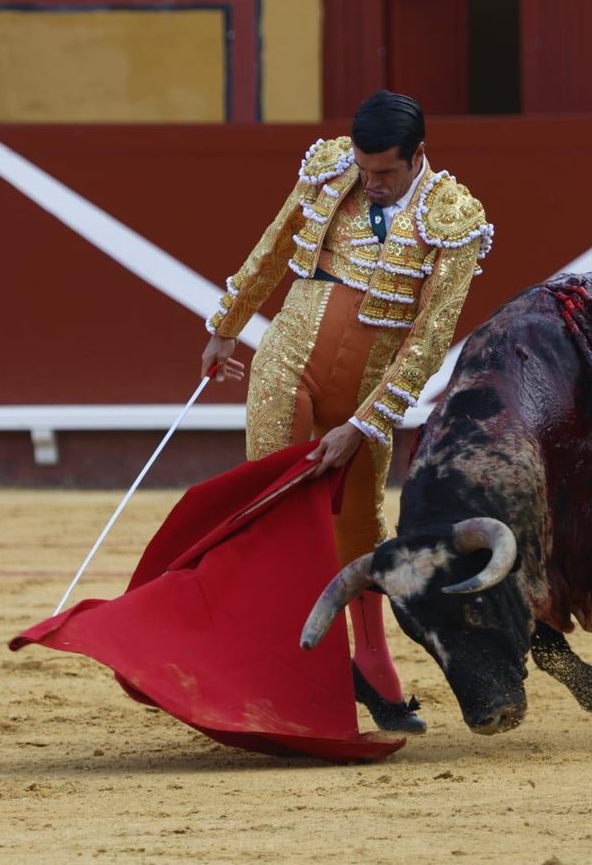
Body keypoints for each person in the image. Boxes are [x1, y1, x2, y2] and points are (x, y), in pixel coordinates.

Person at [198, 90, 494, 734]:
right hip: (289, 360)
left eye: (385, 172)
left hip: (366, 392)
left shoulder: (453, 215)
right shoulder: (333, 168)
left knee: (358, 524)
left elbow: (431, 335)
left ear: (419, 155)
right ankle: (278, 665)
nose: (372, 183)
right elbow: (275, 246)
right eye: (365, 170)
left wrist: (364, 423)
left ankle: (371, 660)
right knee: (274, 507)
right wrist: (227, 325)